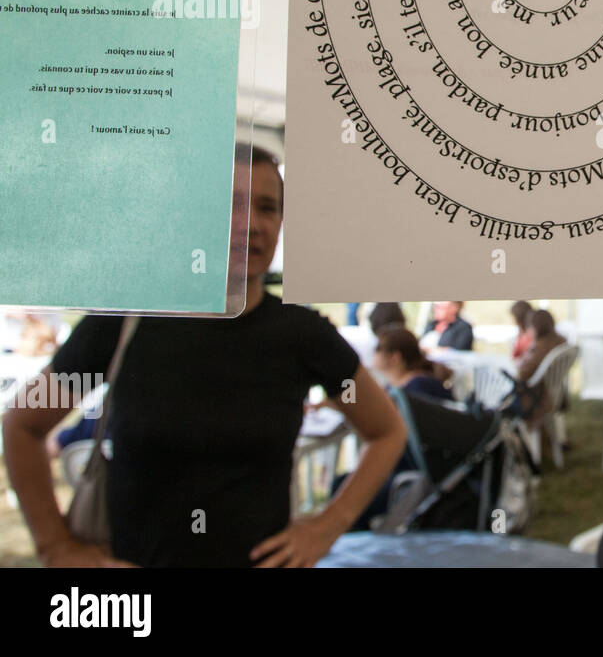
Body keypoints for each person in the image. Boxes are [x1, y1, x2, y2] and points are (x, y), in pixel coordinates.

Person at [1, 145, 407, 567]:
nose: (250, 224)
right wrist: (55, 546)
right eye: (230, 204)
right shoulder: (126, 323)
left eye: (267, 208)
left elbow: (385, 431)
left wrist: (327, 526)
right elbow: (25, 425)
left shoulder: (301, 335)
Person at [514, 309, 566, 429]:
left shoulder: (541, 347)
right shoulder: (560, 341)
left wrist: (520, 363)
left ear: (536, 327)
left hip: (537, 397)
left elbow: (523, 374)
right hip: (556, 394)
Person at [373, 324, 452, 402]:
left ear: (395, 357)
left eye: (378, 349)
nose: (374, 354)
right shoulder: (391, 386)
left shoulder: (418, 385)